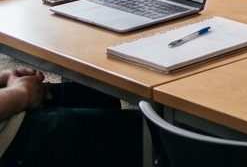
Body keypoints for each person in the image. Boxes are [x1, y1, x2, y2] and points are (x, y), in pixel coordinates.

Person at [0, 69, 142, 166]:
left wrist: (5, 78)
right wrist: (22, 93)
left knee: (102, 96)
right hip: (10, 139)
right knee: (146, 133)